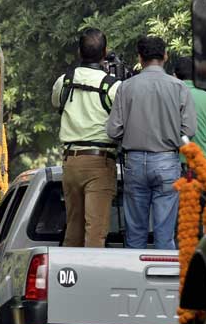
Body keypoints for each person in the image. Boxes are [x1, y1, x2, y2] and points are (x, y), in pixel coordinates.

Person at [105, 36, 196, 250]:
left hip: (134, 162)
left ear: (140, 57)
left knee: (135, 234)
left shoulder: (126, 87)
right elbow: (189, 130)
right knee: (165, 235)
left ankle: (135, 279)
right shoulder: (179, 87)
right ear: (165, 56)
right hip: (167, 161)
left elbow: (112, 130)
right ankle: (163, 281)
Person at [49, 28, 122, 247]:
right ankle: (91, 280)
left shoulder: (65, 81)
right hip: (99, 162)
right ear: (105, 52)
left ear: (79, 52)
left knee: (74, 229)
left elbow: (56, 103)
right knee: (95, 232)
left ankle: (69, 278)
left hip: (70, 163)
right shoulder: (112, 86)